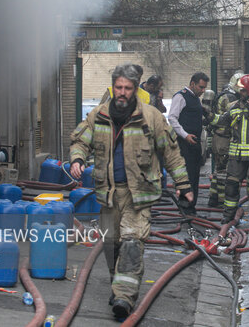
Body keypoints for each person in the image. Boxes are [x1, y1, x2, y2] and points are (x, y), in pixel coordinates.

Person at [69, 64, 192, 318]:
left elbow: (171, 152)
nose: (122, 92)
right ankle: (119, 283)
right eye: (118, 88)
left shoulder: (151, 117)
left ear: (135, 89)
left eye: (127, 88)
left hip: (139, 194)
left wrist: (184, 185)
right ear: (113, 88)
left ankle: (124, 297)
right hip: (108, 194)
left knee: (132, 242)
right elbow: (81, 139)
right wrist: (77, 159)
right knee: (111, 243)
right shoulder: (99, 115)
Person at [208, 75, 249, 222]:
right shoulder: (233, 106)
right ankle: (228, 215)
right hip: (236, 155)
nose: (239, 93)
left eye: (242, 90)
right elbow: (222, 120)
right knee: (231, 185)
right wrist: (209, 115)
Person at [168, 72, 209, 215]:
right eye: (201, 87)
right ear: (192, 83)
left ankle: (191, 206)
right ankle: (185, 207)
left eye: (204, 88)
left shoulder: (195, 99)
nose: (203, 91)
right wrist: (185, 135)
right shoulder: (181, 96)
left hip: (194, 144)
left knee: (194, 175)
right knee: (186, 177)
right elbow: (172, 119)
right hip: (184, 144)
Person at [207, 72, 242, 207]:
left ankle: (213, 197)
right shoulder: (230, 98)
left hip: (218, 137)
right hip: (224, 139)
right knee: (224, 172)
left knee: (218, 170)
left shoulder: (225, 94)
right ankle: (222, 200)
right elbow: (231, 118)